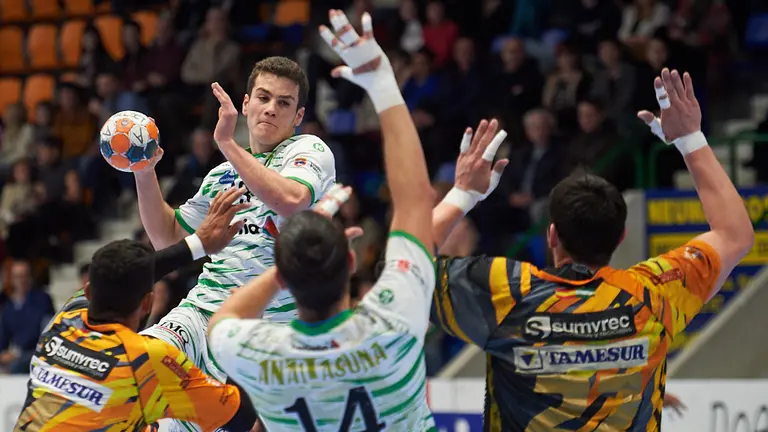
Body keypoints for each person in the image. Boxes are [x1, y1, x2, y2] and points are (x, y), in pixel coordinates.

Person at [206, 10, 489, 430]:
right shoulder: (392, 323)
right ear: (351, 262)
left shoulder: (257, 353)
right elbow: (415, 205)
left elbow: (222, 319)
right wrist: (384, 85)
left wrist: (289, 262)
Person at [427, 69, 754, 430]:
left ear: (552, 235)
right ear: (621, 236)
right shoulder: (652, 295)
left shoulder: (507, 292)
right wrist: (691, 140)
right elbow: (734, 234)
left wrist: (462, 194)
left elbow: (404, 268)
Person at [136, 55, 336, 431]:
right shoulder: (221, 176)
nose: (271, 108)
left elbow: (291, 200)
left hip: (277, 328)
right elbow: (166, 237)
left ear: (298, 116)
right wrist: (144, 172)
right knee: (138, 361)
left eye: (284, 103)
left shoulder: (309, 151)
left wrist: (227, 143)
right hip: (204, 311)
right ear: (246, 104)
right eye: (263, 97)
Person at [14, 187, 254, 431]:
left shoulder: (63, 321)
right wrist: (240, 336)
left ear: (87, 291)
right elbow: (237, 418)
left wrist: (197, 244)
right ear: (148, 303)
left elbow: (136, 272)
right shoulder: (146, 359)